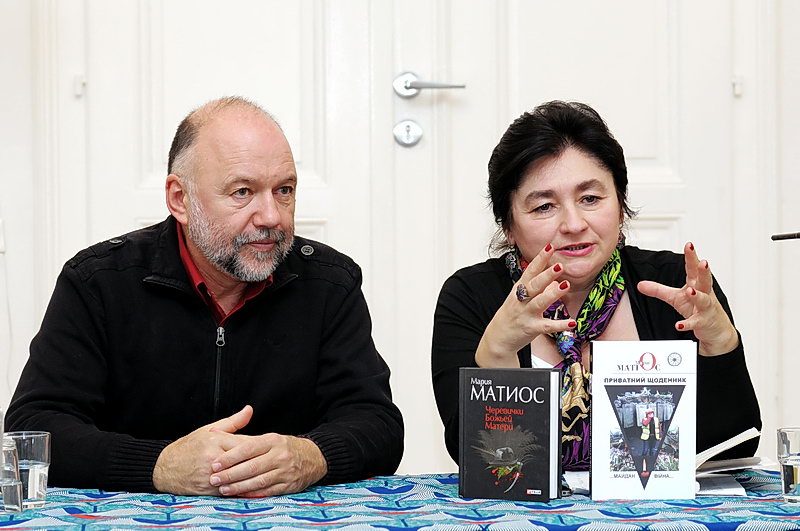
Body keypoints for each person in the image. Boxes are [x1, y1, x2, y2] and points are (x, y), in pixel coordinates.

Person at [7, 96, 404, 496]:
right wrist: (158, 465)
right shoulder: (98, 282)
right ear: (180, 199)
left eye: (284, 190)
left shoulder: (329, 282)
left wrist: (311, 456)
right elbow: (33, 429)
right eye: (243, 192)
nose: (271, 216)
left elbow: (378, 424)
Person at [431, 100, 761, 471]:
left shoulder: (674, 285)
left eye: (590, 198)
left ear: (620, 205)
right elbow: (485, 465)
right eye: (544, 206)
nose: (573, 224)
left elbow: (733, 451)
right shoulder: (471, 297)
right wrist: (497, 355)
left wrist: (720, 344)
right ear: (508, 225)